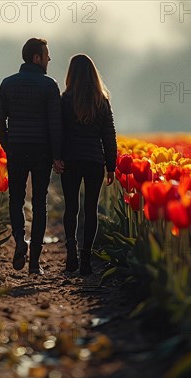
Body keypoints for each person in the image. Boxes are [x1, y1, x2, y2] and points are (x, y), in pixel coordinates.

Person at [0, 38, 64, 275]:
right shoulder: (49, 86)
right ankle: (34, 262)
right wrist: (57, 155)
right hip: (41, 150)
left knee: (16, 198)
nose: (49, 59)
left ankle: (19, 241)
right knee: (39, 202)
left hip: (17, 148)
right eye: (46, 55)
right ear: (36, 58)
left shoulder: (7, 84)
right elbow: (56, 124)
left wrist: (8, 145)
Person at [59, 54, 117, 275]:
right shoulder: (102, 101)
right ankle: (85, 260)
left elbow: (59, 132)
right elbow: (108, 135)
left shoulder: (65, 100)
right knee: (90, 209)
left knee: (71, 207)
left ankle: (71, 252)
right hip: (94, 161)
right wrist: (111, 165)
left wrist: (57, 156)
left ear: (71, 75)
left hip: (71, 159)